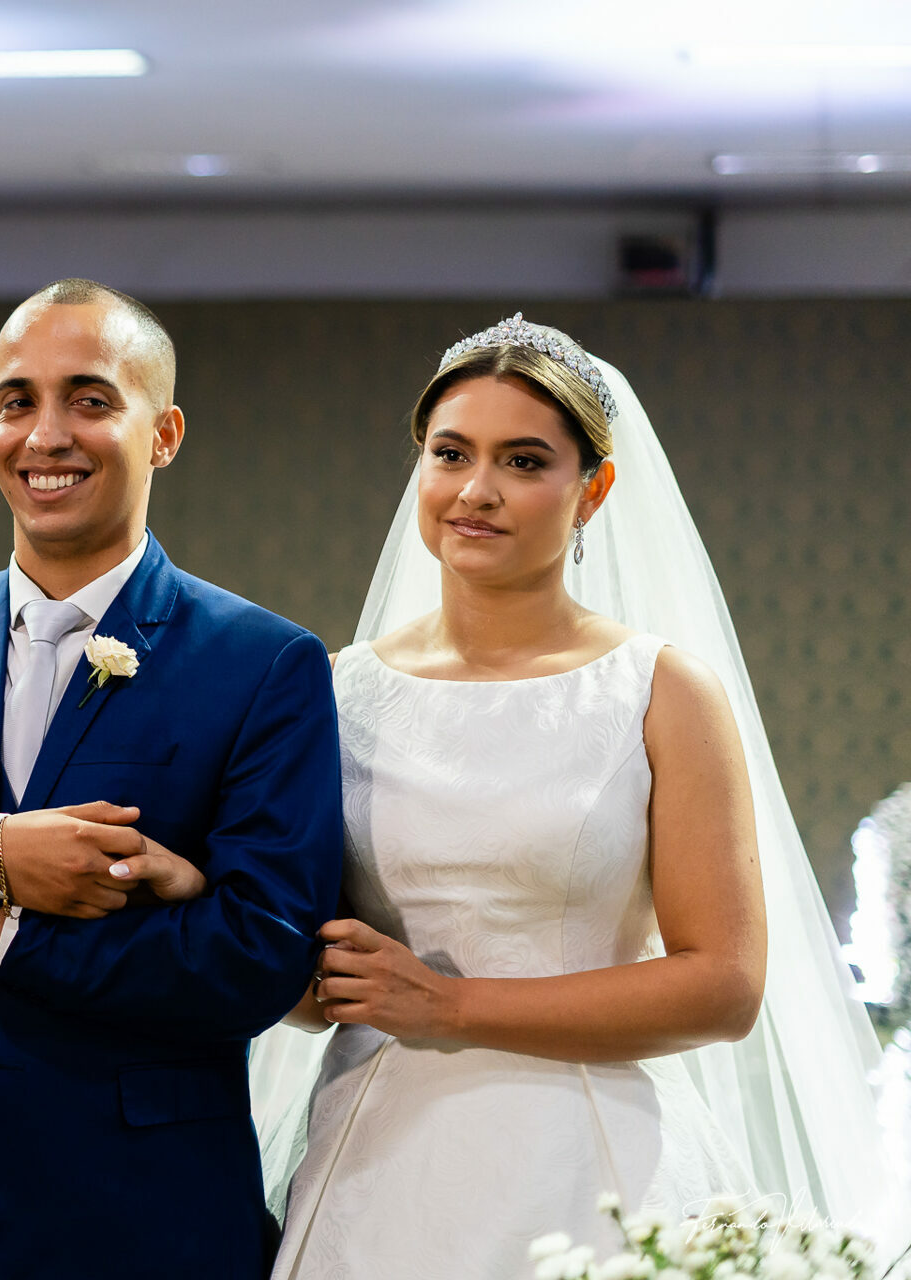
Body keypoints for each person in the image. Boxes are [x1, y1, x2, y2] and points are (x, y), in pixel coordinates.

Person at [256, 315, 906, 1277]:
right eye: (450, 454)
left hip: (590, 1158)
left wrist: (453, 1004)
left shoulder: (661, 693)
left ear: (592, 490)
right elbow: (313, 970)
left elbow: (724, 985)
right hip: (379, 1164)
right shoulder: (338, 688)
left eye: (523, 461)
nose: (476, 491)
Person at [0, 278, 343, 1280]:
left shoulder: (265, 664)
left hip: (135, 1214)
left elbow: (262, 952)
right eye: (17, 401)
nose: (45, 435)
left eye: (89, 399)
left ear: (163, 433)